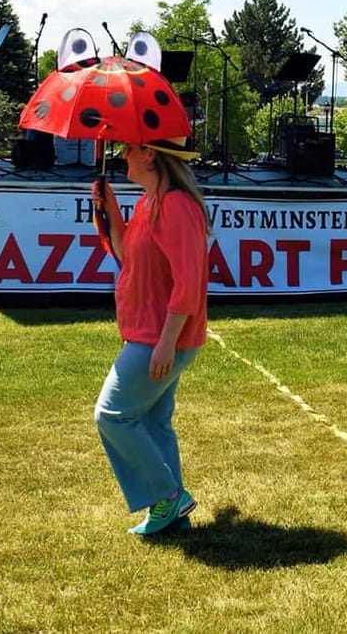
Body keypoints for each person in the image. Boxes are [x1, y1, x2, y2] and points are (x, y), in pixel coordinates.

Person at [92, 135, 209, 535]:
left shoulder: (176, 206)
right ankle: (171, 514)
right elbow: (129, 256)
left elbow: (189, 280)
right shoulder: (148, 203)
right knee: (155, 424)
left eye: (130, 148)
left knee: (112, 415)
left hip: (160, 339)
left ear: (151, 155)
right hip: (150, 334)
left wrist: (166, 341)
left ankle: (167, 495)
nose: (123, 154)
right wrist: (109, 212)